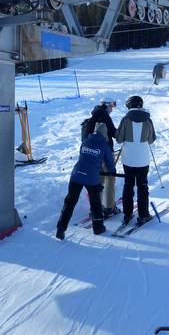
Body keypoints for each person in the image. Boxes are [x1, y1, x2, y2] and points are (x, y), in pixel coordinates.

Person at [56, 123, 115, 240]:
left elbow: (84, 157)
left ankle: (60, 229)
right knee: (95, 203)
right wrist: (112, 171)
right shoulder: (104, 145)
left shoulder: (85, 141)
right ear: (105, 134)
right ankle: (98, 228)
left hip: (76, 175)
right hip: (91, 177)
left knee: (70, 202)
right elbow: (109, 163)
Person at [115, 95, 157, 225]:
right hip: (143, 159)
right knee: (142, 186)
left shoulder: (126, 119)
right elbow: (151, 140)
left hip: (128, 159)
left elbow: (119, 139)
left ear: (129, 106)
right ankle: (143, 214)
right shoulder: (148, 119)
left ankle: (127, 214)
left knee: (128, 185)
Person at [82, 98, 120, 216]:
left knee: (97, 179)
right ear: (106, 105)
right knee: (109, 178)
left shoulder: (94, 115)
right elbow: (113, 133)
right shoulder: (105, 116)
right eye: (111, 106)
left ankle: (95, 207)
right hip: (105, 152)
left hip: (92, 153)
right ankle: (109, 207)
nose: (112, 109)